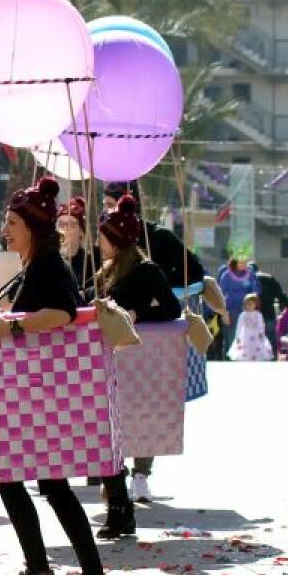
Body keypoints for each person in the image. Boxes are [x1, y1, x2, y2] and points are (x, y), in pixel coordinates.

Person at [0, 176, 112, 575]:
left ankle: (46, 571)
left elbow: (63, 313)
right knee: (47, 484)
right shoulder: (38, 264)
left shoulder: (49, 264)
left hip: (40, 394)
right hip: (36, 393)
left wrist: (10, 324)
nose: (5, 229)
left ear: (33, 226)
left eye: (12, 222)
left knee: (18, 479)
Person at [87, 195, 180, 536]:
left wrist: (139, 315)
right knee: (105, 434)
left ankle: (120, 508)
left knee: (119, 432)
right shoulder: (105, 270)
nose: (98, 243)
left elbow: (172, 309)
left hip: (130, 362)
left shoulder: (146, 270)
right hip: (100, 359)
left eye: (103, 236)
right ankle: (119, 507)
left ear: (116, 238)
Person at [103, 181, 205, 288]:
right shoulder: (105, 239)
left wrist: (157, 284)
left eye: (110, 205)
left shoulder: (160, 236)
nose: (106, 212)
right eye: (104, 205)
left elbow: (195, 271)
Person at [250, 261, 288, 353]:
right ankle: (272, 359)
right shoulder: (269, 278)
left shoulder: (248, 279)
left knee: (253, 340)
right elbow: (280, 294)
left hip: (252, 315)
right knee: (270, 338)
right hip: (269, 313)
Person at [57, 197, 98, 292]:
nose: (65, 229)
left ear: (81, 231)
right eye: (61, 224)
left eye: (71, 224)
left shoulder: (91, 261)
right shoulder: (50, 260)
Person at [217, 257, 258, 351]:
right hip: (231, 312)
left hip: (247, 312)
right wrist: (224, 314)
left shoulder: (251, 275)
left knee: (247, 340)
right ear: (234, 263)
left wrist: (254, 309)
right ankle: (230, 362)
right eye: (241, 262)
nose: (244, 264)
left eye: (245, 262)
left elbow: (255, 292)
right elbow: (220, 296)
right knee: (232, 340)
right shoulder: (226, 275)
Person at [228, 293, 273, 361]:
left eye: (252, 304)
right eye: (248, 304)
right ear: (244, 305)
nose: (250, 305)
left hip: (256, 334)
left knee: (256, 348)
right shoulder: (242, 315)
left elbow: (261, 324)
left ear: (255, 305)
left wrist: (261, 333)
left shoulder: (258, 315)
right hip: (245, 335)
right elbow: (239, 326)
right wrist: (237, 337)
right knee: (245, 349)